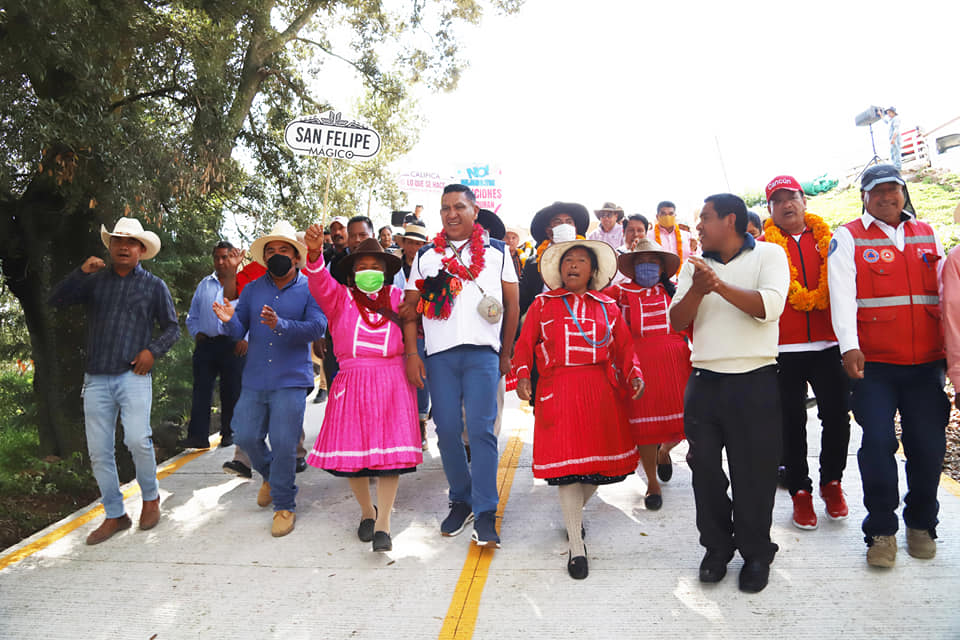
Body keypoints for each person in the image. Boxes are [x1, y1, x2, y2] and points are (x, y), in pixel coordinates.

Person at [827, 164, 949, 567]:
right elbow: (841, 294)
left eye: (893, 189)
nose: (886, 197)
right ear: (864, 196)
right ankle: (881, 531)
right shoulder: (848, 236)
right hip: (874, 365)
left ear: (903, 192)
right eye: (877, 191)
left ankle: (921, 523)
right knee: (878, 444)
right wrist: (849, 346)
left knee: (928, 447)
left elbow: (948, 298)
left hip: (927, 364)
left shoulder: (927, 233)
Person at [669, 193, 789, 593]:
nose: (698, 226)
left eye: (705, 217)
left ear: (730, 220)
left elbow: (767, 307)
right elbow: (676, 321)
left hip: (754, 379)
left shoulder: (769, 255)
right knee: (704, 471)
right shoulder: (694, 266)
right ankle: (716, 549)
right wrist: (700, 289)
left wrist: (717, 285)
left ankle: (756, 554)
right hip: (704, 381)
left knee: (753, 474)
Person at [513, 238, 643, 579]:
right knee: (568, 470)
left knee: (598, 469)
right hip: (558, 392)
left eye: (580, 260)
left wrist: (634, 374)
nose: (572, 265)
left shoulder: (608, 307)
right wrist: (523, 374)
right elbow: (524, 345)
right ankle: (576, 545)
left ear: (593, 270)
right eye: (567, 260)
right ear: (558, 268)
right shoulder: (542, 305)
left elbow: (625, 348)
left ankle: (573, 520)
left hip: (600, 394)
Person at [402, 184, 519, 548]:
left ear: (475, 212)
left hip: (483, 354)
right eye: (445, 208)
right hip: (439, 356)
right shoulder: (425, 256)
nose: (451, 213)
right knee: (447, 429)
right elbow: (409, 309)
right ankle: (461, 499)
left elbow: (512, 305)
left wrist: (505, 352)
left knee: (482, 431)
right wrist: (411, 353)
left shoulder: (498, 252)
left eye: (459, 206)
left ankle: (485, 511)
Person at [49, 217, 179, 545]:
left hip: (132, 376)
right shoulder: (94, 281)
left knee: (137, 439)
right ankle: (115, 514)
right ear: (110, 246)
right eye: (118, 240)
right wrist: (80, 273)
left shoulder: (153, 286)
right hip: (96, 378)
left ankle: (150, 499)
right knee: (99, 452)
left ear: (141, 249)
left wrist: (152, 350)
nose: (124, 246)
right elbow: (56, 301)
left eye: (131, 242)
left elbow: (172, 327)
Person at [302, 232, 422, 552]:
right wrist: (314, 254)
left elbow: (416, 325)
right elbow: (318, 283)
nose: (369, 270)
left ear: (385, 271)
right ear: (353, 272)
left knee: (390, 456)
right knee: (352, 454)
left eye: (375, 265)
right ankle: (367, 512)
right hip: (352, 380)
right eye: (362, 265)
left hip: (393, 381)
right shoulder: (340, 298)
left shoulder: (398, 299)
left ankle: (383, 524)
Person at [212, 221, 327, 538]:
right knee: (245, 437)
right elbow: (239, 330)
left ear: (296, 256)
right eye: (271, 251)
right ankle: (271, 477)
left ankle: (285, 505)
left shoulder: (310, 288)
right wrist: (228, 321)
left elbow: (317, 327)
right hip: (255, 378)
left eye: (283, 250)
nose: (277, 255)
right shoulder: (252, 289)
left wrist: (281, 325)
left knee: (284, 444)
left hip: (291, 379)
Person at [761, 175, 851, 531]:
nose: (787, 205)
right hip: (784, 349)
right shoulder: (763, 247)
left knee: (837, 418)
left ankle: (832, 483)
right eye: (778, 200)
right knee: (791, 423)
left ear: (804, 201)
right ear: (769, 208)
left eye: (792, 197)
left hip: (829, 345)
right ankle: (800, 491)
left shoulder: (832, 241)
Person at [605, 238, 688, 511]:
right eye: (641, 263)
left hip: (677, 363)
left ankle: (666, 452)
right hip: (639, 365)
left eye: (653, 262)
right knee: (645, 429)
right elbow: (608, 324)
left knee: (686, 424)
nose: (647, 267)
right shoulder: (619, 294)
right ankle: (652, 482)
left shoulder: (674, 292)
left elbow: (691, 323)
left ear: (663, 267)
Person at [181, 241, 247, 450]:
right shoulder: (204, 285)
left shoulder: (242, 283)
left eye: (225, 257)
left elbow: (252, 315)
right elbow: (192, 316)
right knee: (201, 390)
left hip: (232, 344)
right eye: (217, 257)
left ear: (233, 258)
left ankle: (230, 432)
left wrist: (246, 339)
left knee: (231, 389)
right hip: (206, 345)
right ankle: (198, 437)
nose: (220, 262)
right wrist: (196, 333)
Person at [394, 221, 431, 450]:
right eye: (410, 242)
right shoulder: (393, 267)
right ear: (404, 243)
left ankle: (421, 424)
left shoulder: (430, 265)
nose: (414, 247)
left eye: (419, 243)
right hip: (396, 328)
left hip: (423, 329)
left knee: (421, 378)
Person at [519, 202, 590, 316]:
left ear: (575, 229)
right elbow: (523, 300)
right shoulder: (533, 263)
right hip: (543, 317)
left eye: (569, 222)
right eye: (558, 222)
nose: (564, 225)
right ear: (548, 231)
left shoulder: (590, 258)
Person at [648, 201, 695, 277]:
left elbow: (696, 257)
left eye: (670, 214)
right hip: (658, 281)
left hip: (684, 279)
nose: (667, 217)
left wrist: (694, 250)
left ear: (675, 215)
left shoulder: (687, 235)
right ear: (657, 216)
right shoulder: (649, 236)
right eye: (663, 214)